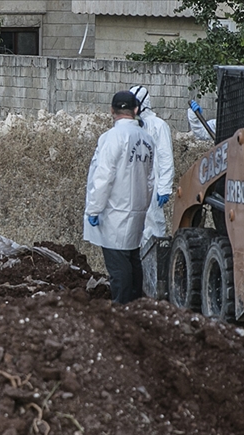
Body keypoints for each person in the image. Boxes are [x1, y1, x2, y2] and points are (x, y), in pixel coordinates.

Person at [84, 91, 155, 304]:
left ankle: (122, 308)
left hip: (115, 210)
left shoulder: (113, 137)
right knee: (133, 259)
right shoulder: (147, 138)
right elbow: (151, 179)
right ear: (135, 110)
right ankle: (136, 304)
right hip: (137, 209)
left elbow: (103, 176)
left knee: (119, 265)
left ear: (111, 111)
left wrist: (94, 209)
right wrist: (144, 203)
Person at [130, 85, 174, 246]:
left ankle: (154, 266)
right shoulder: (131, 126)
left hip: (152, 185)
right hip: (133, 184)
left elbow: (165, 158)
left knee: (154, 226)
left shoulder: (158, 126)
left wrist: (164, 187)